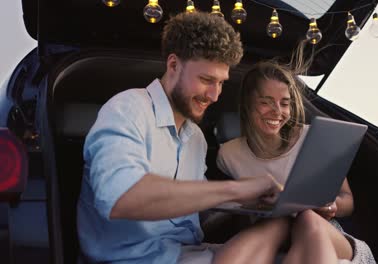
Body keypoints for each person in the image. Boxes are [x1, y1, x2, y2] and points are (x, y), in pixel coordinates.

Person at [77, 12, 286, 264]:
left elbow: (195, 200)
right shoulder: (127, 109)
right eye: (206, 80)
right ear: (173, 65)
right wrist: (235, 189)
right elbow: (123, 197)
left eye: (221, 83)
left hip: (187, 254)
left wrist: (256, 202)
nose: (214, 95)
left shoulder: (195, 137)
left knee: (289, 232)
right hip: (135, 260)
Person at [215, 61, 376, 263]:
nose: (277, 111)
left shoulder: (314, 137)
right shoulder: (228, 154)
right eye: (266, 102)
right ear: (248, 103)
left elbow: (347, 200)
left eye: (284, 103)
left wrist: (331, 206)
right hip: (273, 232)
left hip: (324, 230)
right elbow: (234, 207)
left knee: (307, 217)